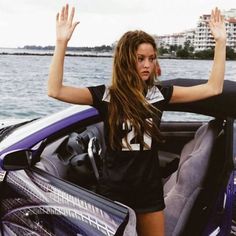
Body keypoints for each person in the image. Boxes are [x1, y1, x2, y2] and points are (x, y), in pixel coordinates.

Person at [48, 4, 226, 236]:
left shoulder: (159, 95)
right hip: (113, 194)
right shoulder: (106, 95)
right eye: (140, 58)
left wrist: (220, 42)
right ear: (125, 59)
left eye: (151, 58)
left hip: (148, 194)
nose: (147, 65)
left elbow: (213, 88)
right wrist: (61, 43)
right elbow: (55, 90)